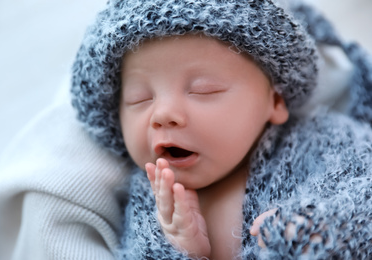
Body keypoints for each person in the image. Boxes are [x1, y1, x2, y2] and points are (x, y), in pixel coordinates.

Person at [70, 0, 372, 259]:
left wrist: (312, 227)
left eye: (204, 90)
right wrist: (175, 247)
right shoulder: (151, 198)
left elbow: (364, 197)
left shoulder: (319, 140)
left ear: (276, 100)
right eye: (140, 98)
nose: (162, 114)